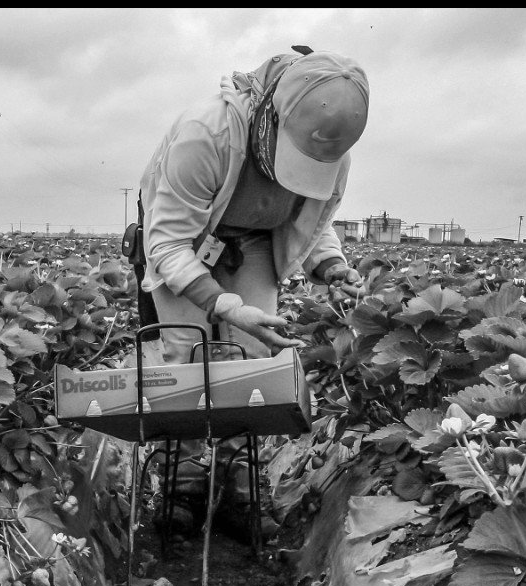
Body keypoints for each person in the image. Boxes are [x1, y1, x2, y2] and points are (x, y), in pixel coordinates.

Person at [133, 46, 371, 530]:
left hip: (254, 241)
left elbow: (312, 217)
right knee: (185, 351)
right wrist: (222, 302)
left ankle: (240, 477)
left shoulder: (333, 156)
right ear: (272, 117)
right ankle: (181, 477)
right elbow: (167, 244)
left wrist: (332, 266)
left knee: (254, 356)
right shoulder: (208, 134)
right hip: (185, 238)